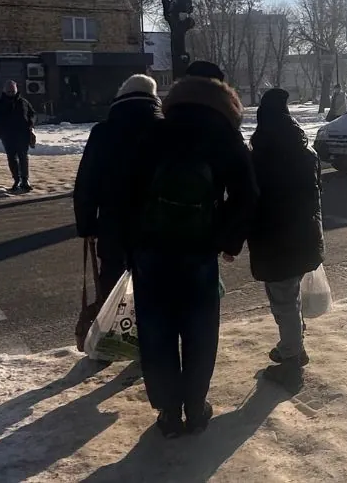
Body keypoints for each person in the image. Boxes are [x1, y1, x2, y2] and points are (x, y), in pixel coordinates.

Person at [131, 60, 258, 438]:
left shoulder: (156, 128)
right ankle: (196, 408)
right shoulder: (225, 134)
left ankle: (168, 412)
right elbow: (248, 194)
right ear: (222, 91)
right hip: (199, 250)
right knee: (199, 329)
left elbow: (127, 188)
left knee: (157, 329)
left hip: (152, 248)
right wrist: (225, 239)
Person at [244, 88, 323, 389]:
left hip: (274, 243)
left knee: (284, 300)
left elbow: (249, 203)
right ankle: (294, 347)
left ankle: (291, 361)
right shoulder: (307, 155)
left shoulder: (259, 158)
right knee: (290, 296)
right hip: (304, 238)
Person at [73, 75, 163, 304]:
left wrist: (86, 225)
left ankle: (115, 325)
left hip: (114, 227)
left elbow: (87, 182)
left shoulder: (103, 132)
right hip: (160, 227)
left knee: (114, 293)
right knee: (157, 293)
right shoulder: (166, 130)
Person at [0, 80, 35, 192]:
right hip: (7, 135)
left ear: (16, 90)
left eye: (13, 91)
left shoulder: (23, 102)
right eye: (9, 91)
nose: (11, 93)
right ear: (4, 91)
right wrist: (2, 120)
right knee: (12, 157)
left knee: (23, 157)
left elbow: (32, 114)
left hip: (23, 134)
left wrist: (31, 123)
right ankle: (16, 179)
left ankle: (25, 180)